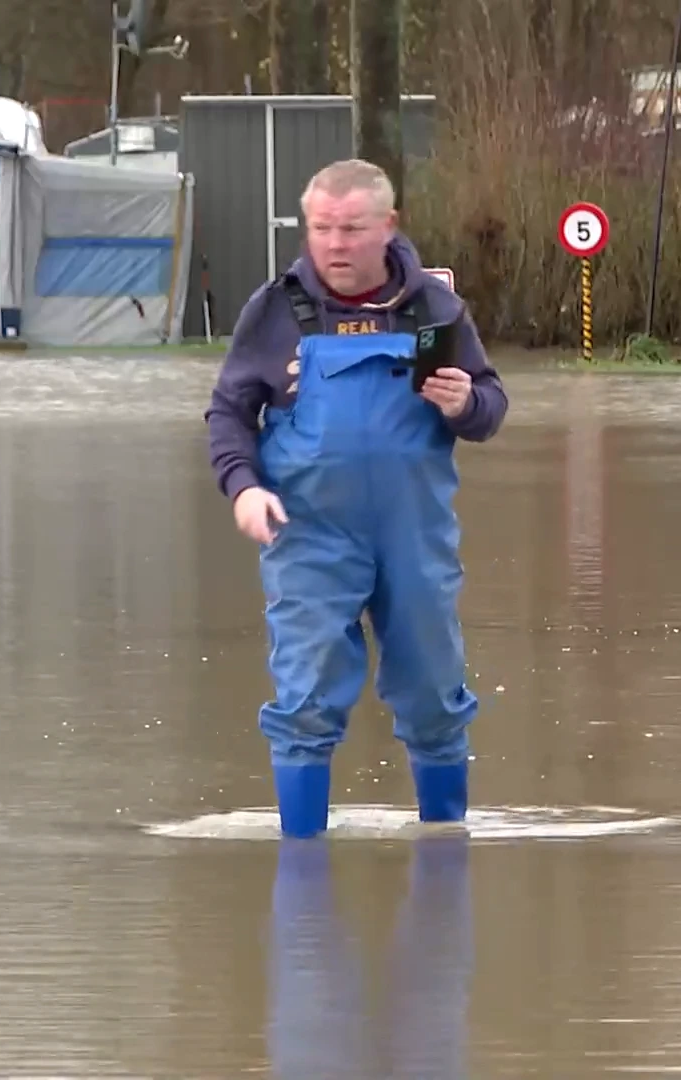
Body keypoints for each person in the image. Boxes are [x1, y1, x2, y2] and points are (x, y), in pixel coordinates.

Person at [205, 159, 507, 838]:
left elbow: (490, 409)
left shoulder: (432, 307)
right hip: (308, 534)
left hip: (414, 535)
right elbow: (227, 414)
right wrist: (243, 487)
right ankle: (302, 873)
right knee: (305, 698)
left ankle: (445, 853)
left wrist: (465, 402)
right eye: (322, 229)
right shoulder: (276, 311)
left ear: (388, 226)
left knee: (434, 695)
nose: (335, 244)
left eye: (351, 229)